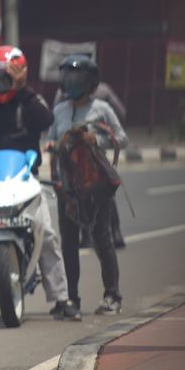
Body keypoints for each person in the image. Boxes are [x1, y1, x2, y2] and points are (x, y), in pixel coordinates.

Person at [0, 45, 80, 321]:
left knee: (47, 234)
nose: (0, 85)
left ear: (20, 75)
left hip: (25, 180)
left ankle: (62, 297)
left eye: (6, 78)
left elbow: (46, 119)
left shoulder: (30, 101)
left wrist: (23, 88)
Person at [47, 55, 128, 315]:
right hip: (67, 187)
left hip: (95, 186)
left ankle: (112, 296)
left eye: (77, 78)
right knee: (68, 243)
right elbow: (51, 139)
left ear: (90, 81)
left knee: (102, 239)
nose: (71, 83)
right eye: (67, 78)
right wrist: (53, 145)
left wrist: (97, 139)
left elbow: (122, 139)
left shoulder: (101, 108)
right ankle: (72, 299)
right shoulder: (59, 110)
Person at [54, 78, 127, 249]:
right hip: (91, 154)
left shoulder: (62, 92)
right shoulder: (103, 90)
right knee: (103, 189)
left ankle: (88, 236)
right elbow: (121, 113)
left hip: (77, 155)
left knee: (79, 190)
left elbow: (55, 119)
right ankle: (114, 233)